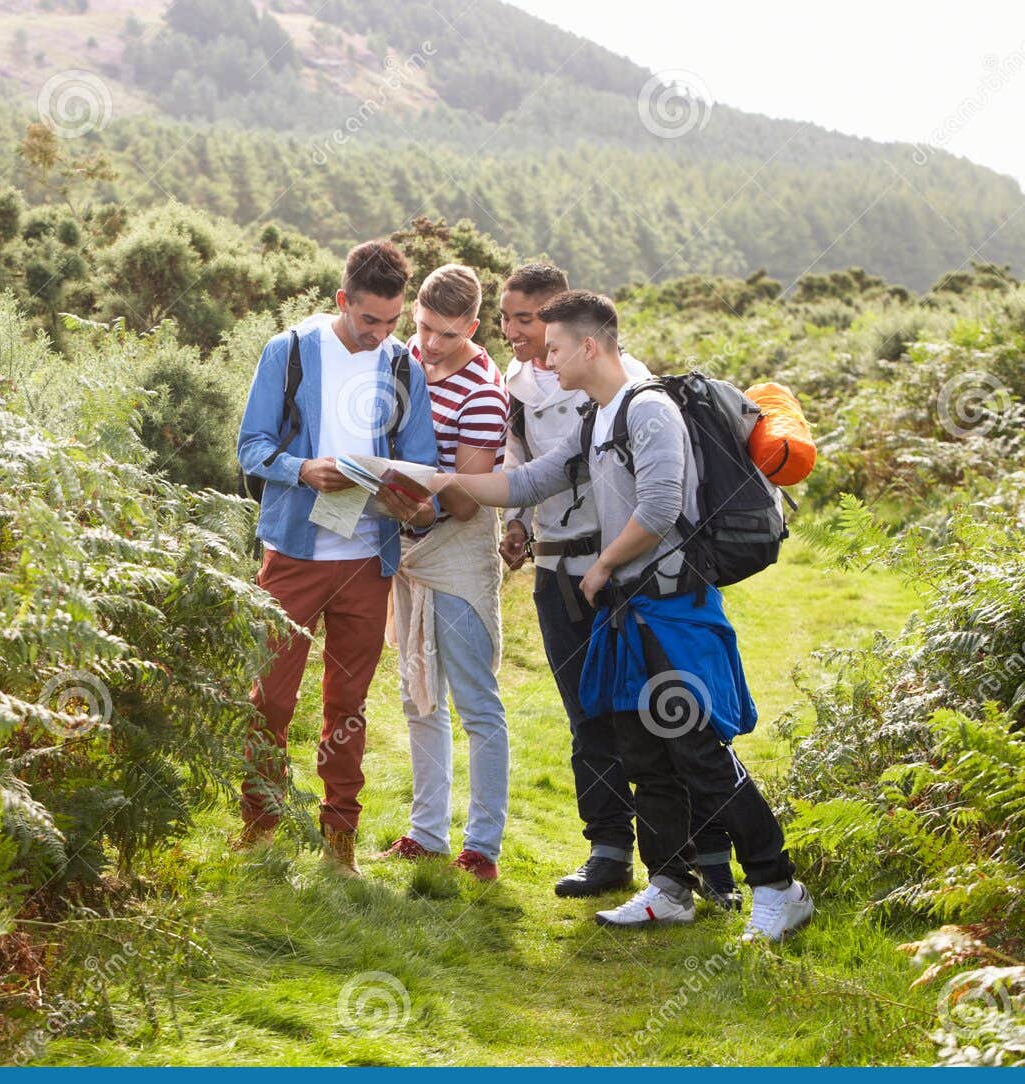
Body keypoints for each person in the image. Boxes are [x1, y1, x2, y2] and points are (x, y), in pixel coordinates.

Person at [425, 290, 815, 942]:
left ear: (590, 346)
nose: (545, 362)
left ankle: (778, 884)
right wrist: (442, 480)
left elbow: (660, 506)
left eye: (553, 348)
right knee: (644, 753)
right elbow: (527, 483)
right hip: (628, 618)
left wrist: (602, 565)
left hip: (669, 612)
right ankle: (669, 885)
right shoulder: (598, 419)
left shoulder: (649, 409)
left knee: (699, 752)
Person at [498, 263, 738, 907]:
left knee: (670, 723)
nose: (517, 334)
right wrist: (505, 516)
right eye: (508, 319)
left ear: (575, 329)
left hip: (635, 581)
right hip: (557, 570)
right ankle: (612, 851)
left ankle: (712, 865)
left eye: (530, 321)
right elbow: (525, 470)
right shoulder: (517, 388)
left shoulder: (629, 390)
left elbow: (658, 500)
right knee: (591, 716)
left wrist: (607, 565)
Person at [235, 240, 441, 877]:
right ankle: (259, 828)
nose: (381, 334)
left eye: (391, 322)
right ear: (341, 301)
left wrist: (410, 500)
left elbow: (421, 462)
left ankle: (339, 844)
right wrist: (303, 469)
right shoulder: (289, 351)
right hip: (294, 553)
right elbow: (251, 447)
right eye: (369, 321)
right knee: (269, 699)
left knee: (346, 707)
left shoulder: (403, 365)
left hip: (366, 560)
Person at [380, 264, 509, 881]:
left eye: (445, 336)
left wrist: (419, 499)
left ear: (474, 329)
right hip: (406, 545)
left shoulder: (484, 391)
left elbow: (466, 498)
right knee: (417, 696)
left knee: (475, 703)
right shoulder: (405, 355)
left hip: (455, 550)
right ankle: (426, 834)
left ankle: (481, 846)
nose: (429, 345)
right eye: (423, 328)